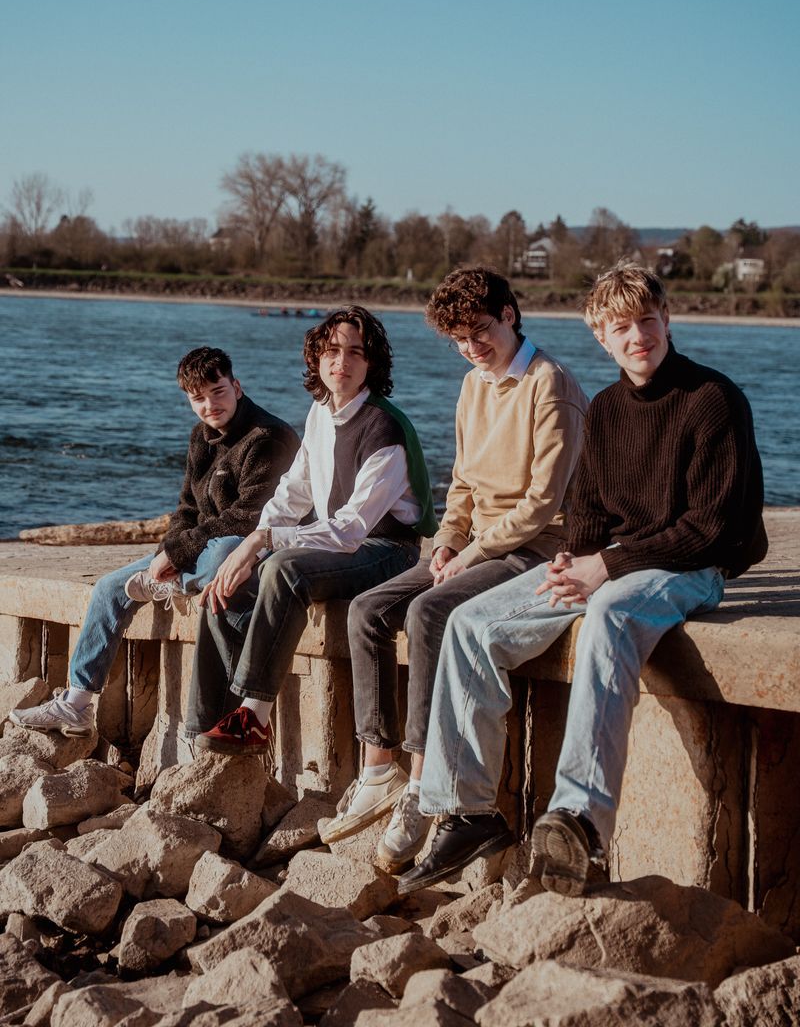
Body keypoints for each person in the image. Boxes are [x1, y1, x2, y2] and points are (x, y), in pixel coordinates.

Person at [397, 263, 768, 895]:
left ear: (667, 320)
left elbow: (712, 527)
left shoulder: (712, 399)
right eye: (620, 328)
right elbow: (590, 517)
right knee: (468, 623)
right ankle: (468, 810)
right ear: (602, 336)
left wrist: (606, 568)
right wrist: (575, 561)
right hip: (616, 560)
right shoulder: (604, 409)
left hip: (692, 566)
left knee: (610, 614)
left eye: (646, 322)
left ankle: (580, 820)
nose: (637, 338)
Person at [320, 268, 589, 874]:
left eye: (480, 332)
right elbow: (463, 482)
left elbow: (543, 505)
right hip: (476, 546)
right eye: (459, 339)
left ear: (511, 315)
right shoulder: (473, 384)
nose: (471, 347)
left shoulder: (552, 386)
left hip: (534, 549)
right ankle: (379, 768)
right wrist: (445, 542)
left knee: (430, 610)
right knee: (367, 611)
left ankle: (420, 783)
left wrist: (470, 555)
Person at [186, 305, 438, 755]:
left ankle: (255, 718)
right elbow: (293, 491)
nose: (342, 361)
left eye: (356, 353)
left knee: (282, 569)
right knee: (224, 583)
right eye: (333, 351)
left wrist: (264, 542)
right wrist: (249, 545)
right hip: (342, 543)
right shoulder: (321, 410)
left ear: (371, 364)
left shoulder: (385, 429)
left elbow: (350, 531)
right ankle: (202, 726)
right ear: (316, 359)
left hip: (386, 549)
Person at [11, 346, 300, 738]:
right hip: (202, 547)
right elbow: (186, 509)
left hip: (257, 549)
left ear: (236, 386)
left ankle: (171, 581)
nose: (209, 405)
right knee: (109, 588)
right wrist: (170, 551)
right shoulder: (201, 437)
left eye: (218, 392)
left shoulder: (269, 437)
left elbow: (249, 516)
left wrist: (180, 554)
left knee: (223, 555)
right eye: (198, 398)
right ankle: (77, 703)